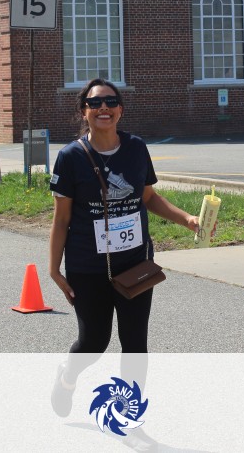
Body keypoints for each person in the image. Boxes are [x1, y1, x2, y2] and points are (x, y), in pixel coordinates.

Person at [48, 78, 199, 423]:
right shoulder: (70, 157)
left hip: (134, 263)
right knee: (93, 343)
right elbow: (61, 219)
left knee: (135, 344)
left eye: (111, 101)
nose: (103, 107)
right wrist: (54, 269)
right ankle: (68, 376)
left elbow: (148, 197)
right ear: (84, 111)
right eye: (95, 103)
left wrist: (186, 219)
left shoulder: (135, 148)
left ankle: (128, 414)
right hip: (88, 267)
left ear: (120, 110)